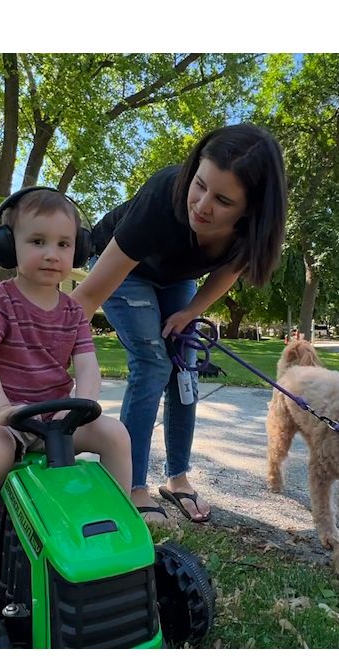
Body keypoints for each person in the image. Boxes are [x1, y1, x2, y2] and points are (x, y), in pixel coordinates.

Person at [71, 123, 288, 525]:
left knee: (184, 367)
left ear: (250, 212)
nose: (202, 205)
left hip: (175, 277)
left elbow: (227, 272)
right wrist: (45, 353)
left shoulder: (251, 235)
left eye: (223, 200)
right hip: (128, 269)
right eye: (199, 185)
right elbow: (87, 297)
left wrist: (191, 311)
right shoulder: (162, 197)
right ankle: (130, 485)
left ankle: (177, 478)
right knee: (153, 363)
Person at [0, 188, 133, 604]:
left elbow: (87, 367)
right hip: (0, 416)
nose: (51, 254)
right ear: (9, 246)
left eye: (63, 244)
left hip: (57, 418)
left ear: (78, 251)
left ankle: (119, 528)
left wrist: (84, 408)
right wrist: (0, 409)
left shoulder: (74, 312)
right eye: (37, 241)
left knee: (116, 435)